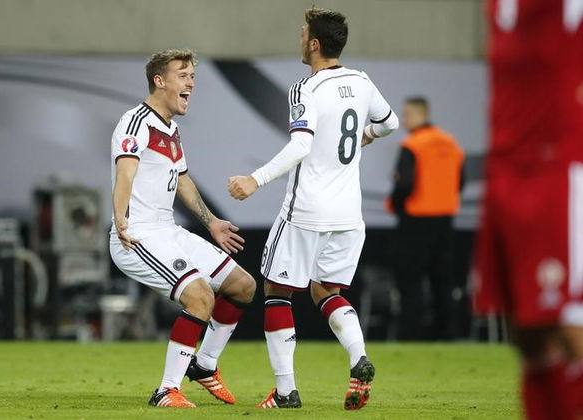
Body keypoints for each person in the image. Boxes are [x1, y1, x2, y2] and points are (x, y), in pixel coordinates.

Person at [228, 7, 398, 410]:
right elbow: (389, 122)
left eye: (303, 33)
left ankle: (286, 391)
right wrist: (365, 135)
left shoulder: (306, 89)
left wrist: (255, 179)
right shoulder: (361, 81)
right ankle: (358, 358)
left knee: (276, 290)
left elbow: (302, 145)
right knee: (328, 291)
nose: (300, 39)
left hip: (305, 211)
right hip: (348, 216)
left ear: (315, 43)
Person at [110, 49, 256, 408]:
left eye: (193, 75)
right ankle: (166, 390)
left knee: (243, 286)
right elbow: (125, 173)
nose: (191, 82)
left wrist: (212, 224)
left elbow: (183, 179)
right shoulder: (135, 122)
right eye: (183, 75)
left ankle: (204, 365)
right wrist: (120, 218)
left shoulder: (170, 128)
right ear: (160, 81)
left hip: (168, 229)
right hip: (138, 233)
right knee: (201, 296)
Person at [474, 0, 583, 418]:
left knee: (569, 324)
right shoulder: (499, 9)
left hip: (555, 171)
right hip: (504, 173)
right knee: (528, 333)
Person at [388, 97, 464, 340]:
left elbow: (406, 183)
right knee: (443, 279)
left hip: (416, 219)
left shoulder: (412, 144)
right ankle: (447, 332)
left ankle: (411, 333)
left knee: (410, 280)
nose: (404, 119)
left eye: (407, 114)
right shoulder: (451, 143)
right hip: (445, 220)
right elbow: (460, 181)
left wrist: (398, 205)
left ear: (422, 114)